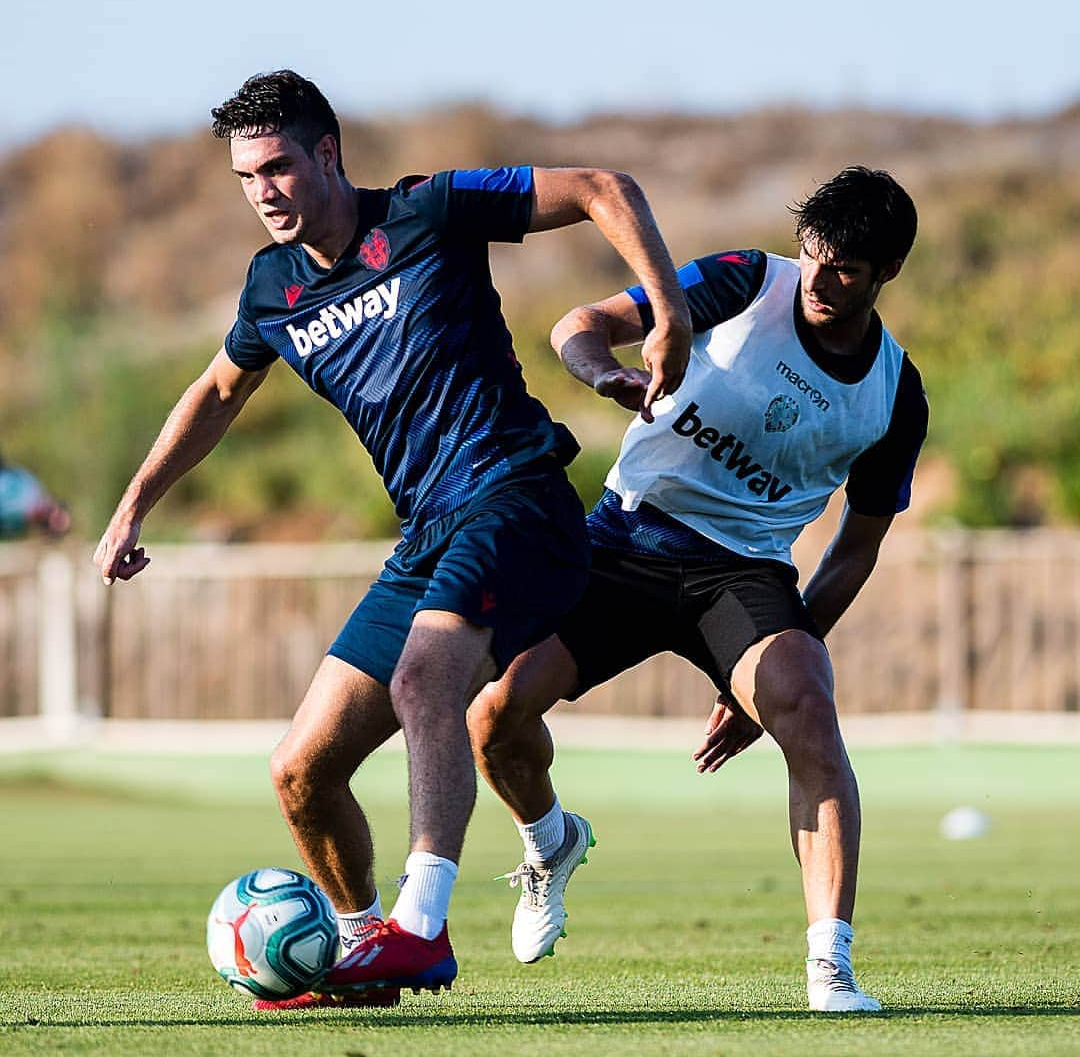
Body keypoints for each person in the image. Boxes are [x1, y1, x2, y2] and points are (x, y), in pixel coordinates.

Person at [93, 70, 691, 1010]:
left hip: (517, 498)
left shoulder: (429, 212)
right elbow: (216, 393)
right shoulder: (271, 287)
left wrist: (669, 310)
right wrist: (134, 505)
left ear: (327, 153)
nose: (264, 192)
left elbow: (602, 188)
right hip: (427, 534)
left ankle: (419, 932)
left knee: (426, 678)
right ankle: (365, 947)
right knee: (301, 770)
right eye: (247, 177)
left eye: (279, 167)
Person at [468, 166, 928, 1013]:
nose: (820, 281)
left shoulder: (894, 395)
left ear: (886, 273)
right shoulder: (744, 281)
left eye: (846, 270)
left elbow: (858, 547)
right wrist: (603, 376)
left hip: (741, 573)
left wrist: (776, 672)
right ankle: (548, 845)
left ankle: (831, 968)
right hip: (623, 538)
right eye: (814, 257)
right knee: (493, 715)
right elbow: (581, 327)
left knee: (810, 711)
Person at [0, 453, 70, 538]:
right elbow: (13, 470)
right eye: (59, 515)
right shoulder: (35, 487)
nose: (54, 516)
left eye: (57, 522)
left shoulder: (16, 526)